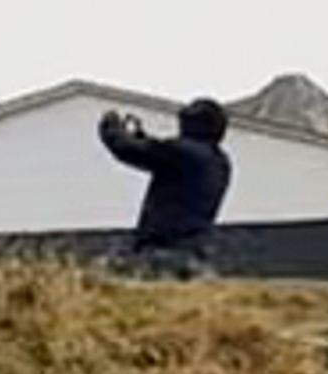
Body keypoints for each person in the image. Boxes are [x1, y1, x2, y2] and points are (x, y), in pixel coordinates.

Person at [98, 98, 235, 275]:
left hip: (164, 250)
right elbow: (163, 157)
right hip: (196, 252)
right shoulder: (219, 161)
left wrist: (111, 128)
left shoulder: (184, 153)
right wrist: (142, 139)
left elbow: (128, 149)